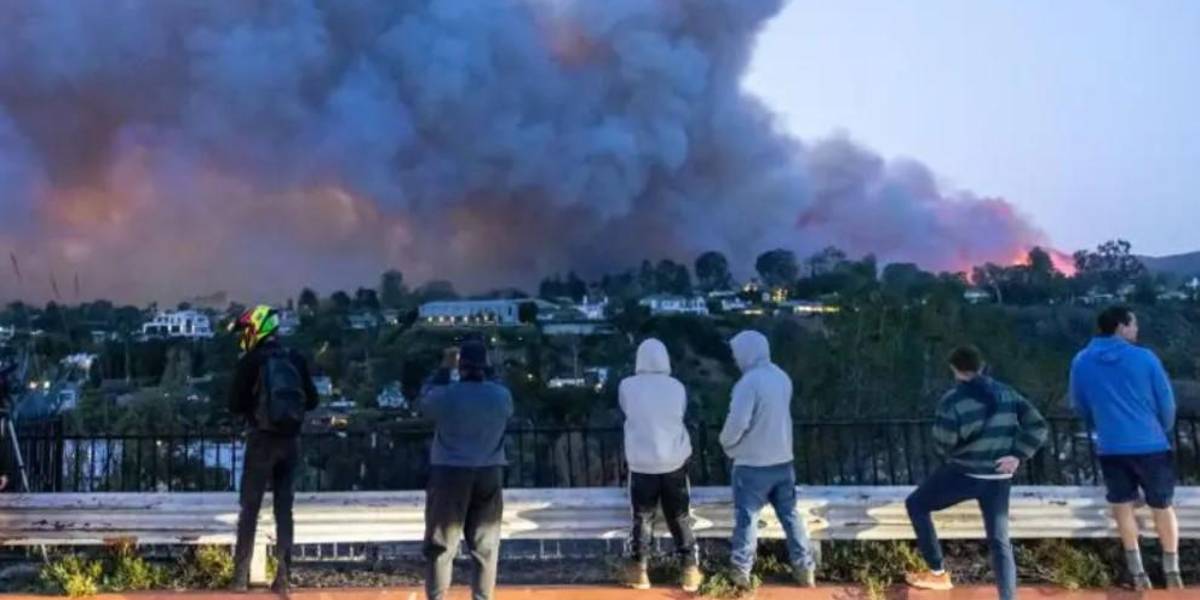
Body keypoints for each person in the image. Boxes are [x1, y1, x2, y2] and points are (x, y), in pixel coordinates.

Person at [904, 346, 1048, 600]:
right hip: (999, 478)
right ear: (982, 366)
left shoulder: (953, 401)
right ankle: (1008, 596)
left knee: (916, 504)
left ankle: (937, 572)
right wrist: (1018, 455)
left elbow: (943, 441)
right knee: (1000, 541)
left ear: (955, 369)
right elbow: (1037, 425)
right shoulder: (1007, 393)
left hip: (964, 473)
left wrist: (952, 454)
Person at [1070, 306, 1181, 590]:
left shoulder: (1081, 360)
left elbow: (1079, 404)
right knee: (1162, 505)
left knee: (1121, 505)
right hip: (1151, 444)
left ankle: (1137, 570)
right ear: (1121, 326)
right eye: (1133, 324)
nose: (1136, 330)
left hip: (1111, 445)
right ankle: (1171, 569)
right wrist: (1162, 429)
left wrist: (1102, 423)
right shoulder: (1145, 358)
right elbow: (1166, 403)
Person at [228, 306, 320, 594]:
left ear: (256, 329)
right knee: (284, 510)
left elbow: (234, 403)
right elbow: (313, 400)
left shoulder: (251, 361)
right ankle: (284, 577)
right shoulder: (295, 358)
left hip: (261, 441)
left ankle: (240, 577)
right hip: (290, 442)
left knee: (250, 509)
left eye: (245, 330)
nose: (243, 335)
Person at [719, 330, 815, 589]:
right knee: (791, 517)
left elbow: (738, 421)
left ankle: (741, 571)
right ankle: (805, 568)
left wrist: (726, 442)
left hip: (752, 464)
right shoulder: (781, 377)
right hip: (783, 462)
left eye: (737, 353)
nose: (736, 359)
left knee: (747, 519)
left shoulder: (749, 383)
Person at [421, 340, 514, 600]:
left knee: (442, 543)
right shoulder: (500, 396)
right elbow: (506, 401)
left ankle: (438, 596)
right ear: (485, 366)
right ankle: (483, 596)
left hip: (449, 472)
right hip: (489, 471)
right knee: (485, 544)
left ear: (459, 367)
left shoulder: (446, 395)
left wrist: (442, 369)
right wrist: (494, 371)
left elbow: (425, 401)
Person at [618, 338, 703, 592]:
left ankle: (640, 570)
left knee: (642, 517)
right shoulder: (676, 387)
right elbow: (680, 413)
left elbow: (627, 411)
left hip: (641, 463)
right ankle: (689, 569)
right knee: (680, 516)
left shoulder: (627, 386)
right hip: (674, 461)